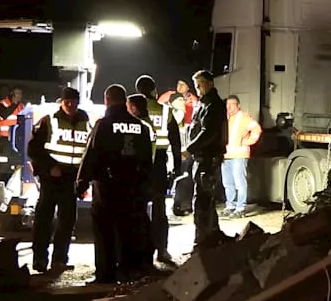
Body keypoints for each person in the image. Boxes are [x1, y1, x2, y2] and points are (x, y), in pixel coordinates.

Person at [76, 84, 153, 285]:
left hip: (107, 188)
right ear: (125, 101)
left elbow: (91, 156)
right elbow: (147, 160)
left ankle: (105, 274)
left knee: (104, 232)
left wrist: (81, 183)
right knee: (128, 230)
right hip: (133, 189)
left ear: (107, 100)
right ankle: (127, 271)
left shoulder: (103, 124)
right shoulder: (142, 127)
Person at [26, 87, 90, 273]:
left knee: (67, 221)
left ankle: (60, 260)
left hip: (72, 178)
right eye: (66, 101)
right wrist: (48, 168)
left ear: (78, 102)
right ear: (61, 102)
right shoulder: (48, 121)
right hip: (51, 178)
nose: (70, 105)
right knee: (44, 219)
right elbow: (33, 150)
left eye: (73, 101)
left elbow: (90, 151)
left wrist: (84, 178)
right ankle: (39, 260)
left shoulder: (87, 122)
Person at [133, 76, 181, 264]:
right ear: (154, 90)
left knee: (138, 209)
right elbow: (176, 142)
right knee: (159, 209)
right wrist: (177, 168)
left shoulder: (133, 109)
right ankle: (162, 250)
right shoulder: (165, 111)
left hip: (137, 164)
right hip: (159, 163)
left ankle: (140, 253)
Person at [186, 70, 227, 247]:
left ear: (210, 83)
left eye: (200, 85)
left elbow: (208, 132)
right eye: (196, 86)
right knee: (205, 198)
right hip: (202, 157)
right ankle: (211, 234)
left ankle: (203, 240)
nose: (198, 89)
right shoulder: (204, 103)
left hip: (207, 158)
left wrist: (190, 148)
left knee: (202, 199)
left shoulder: (213, 105)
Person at [222, 95, 261, 219]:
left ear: (238, 105)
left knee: (239, 183)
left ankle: (240, 208)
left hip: (239, 155)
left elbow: (257, 129)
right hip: (226, 156)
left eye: (232, 104)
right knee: (228, 183)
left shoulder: (244, 117)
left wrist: (248, 142)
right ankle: (230, 206)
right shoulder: (225, 118)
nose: (229, 107)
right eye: (227, 105)